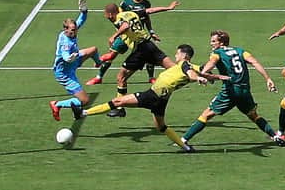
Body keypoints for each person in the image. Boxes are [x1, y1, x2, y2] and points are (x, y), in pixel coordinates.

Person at [71, 44, 230, 152]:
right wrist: (217, 77)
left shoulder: (185, 65)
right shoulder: (192, 66)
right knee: (161, 127)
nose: (175, 55)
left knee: (118, 101)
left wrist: (199, 79)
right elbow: (203, 72)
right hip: (162, 99)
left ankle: (82, 113)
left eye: (177, 52)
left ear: (183, 54)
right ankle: (186, 148)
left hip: (153, 95)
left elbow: (191, 73)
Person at [180, 30, 285, 147]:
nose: (211, 44)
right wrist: (268, 79)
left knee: (206, 115)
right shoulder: (240, 51)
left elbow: (208, 67)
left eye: (213, 41)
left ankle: (183, 140)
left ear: (221, 43)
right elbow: (255, 62)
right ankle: (275, 136)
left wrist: (210, 74)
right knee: (253, 115)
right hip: (244, 91)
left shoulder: (217, 53)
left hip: (230, 91)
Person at [102, 1, 180, 117]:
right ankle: (201, 74)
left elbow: (125, 26)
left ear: (109, 14)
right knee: (175, 68)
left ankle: (119, 107)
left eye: (105, 14)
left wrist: (114, 35)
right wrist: (168, 7)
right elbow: (149, 11)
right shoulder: (132, 13)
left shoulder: (118, 19)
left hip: (140, 49)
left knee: (121, 77)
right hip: (149, 45)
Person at [86, 0, 161, 86]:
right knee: (112, 55)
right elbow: (119, 17)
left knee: (147, 54)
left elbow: (147, 18)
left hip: (137, 35)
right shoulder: (125, 3)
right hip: (124, 35)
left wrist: (151, 32)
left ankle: (151, 77)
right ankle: (99, 77)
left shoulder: (146, 4)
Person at [49, 0, 103, 121]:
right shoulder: (65, 42)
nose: (75, 32)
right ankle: (57, 104)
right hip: (65, 73)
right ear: (65, 29)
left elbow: (81, 20)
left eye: (75, 29)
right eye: (73, 30)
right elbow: (64, 54)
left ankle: (98, 63)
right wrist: (69, 58)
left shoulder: (71, 31)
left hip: (74, 61)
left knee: (93, 50)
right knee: (85, 100)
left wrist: (84, 11)